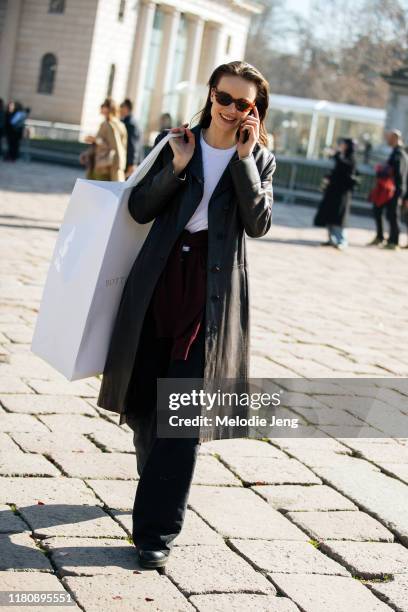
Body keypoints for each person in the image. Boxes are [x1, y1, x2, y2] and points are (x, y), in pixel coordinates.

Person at [96, 60, 276, 568]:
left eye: (245, 104)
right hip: (157, 284)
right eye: (225, 98)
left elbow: (258, 224)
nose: (232, 110)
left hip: (211, 294)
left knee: (183, 414)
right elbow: (139, 210)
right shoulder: (176, 142)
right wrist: (175, 167)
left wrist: (243, 161)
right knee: (145, 406)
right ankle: (155, 483)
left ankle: (156, 531)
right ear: (211, 94)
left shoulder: (260, 158)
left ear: (255, 111)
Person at [314, 138, 357, 250]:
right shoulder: (340, 156)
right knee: (330, 215)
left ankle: (342, 240)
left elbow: (346, 168)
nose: (340, 146)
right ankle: (332, 239)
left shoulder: (351, 158)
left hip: (342, 194)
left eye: (343, 144)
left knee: (339, 217)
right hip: (332, 192)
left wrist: (337, 156)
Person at [377, 129, 408, 250]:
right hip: (394, 189)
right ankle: (388, 238)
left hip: (395, 190)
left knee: (394, 216)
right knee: (389, 214)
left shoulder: (399, 154)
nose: (387, 140)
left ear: (395, 138)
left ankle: (394, 241)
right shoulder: (396, 152)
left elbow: (399, 175)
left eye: (389, 138)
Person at [85, 98, 127, 181]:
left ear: (109, 108)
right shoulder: (120, 125)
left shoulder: (108, 124)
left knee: (97, 190)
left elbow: (112, 146)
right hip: (113, 164)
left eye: (104, 106)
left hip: (104, 165)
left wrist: (95, 140)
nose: (101, 108)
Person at [120, 98, 144, 178]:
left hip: (130, 165)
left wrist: (132, 164)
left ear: (126, 108)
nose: (120, 109)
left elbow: (133, 145)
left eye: (121, 107)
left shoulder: (130, 124)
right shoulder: (131, 122)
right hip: (132, 163)